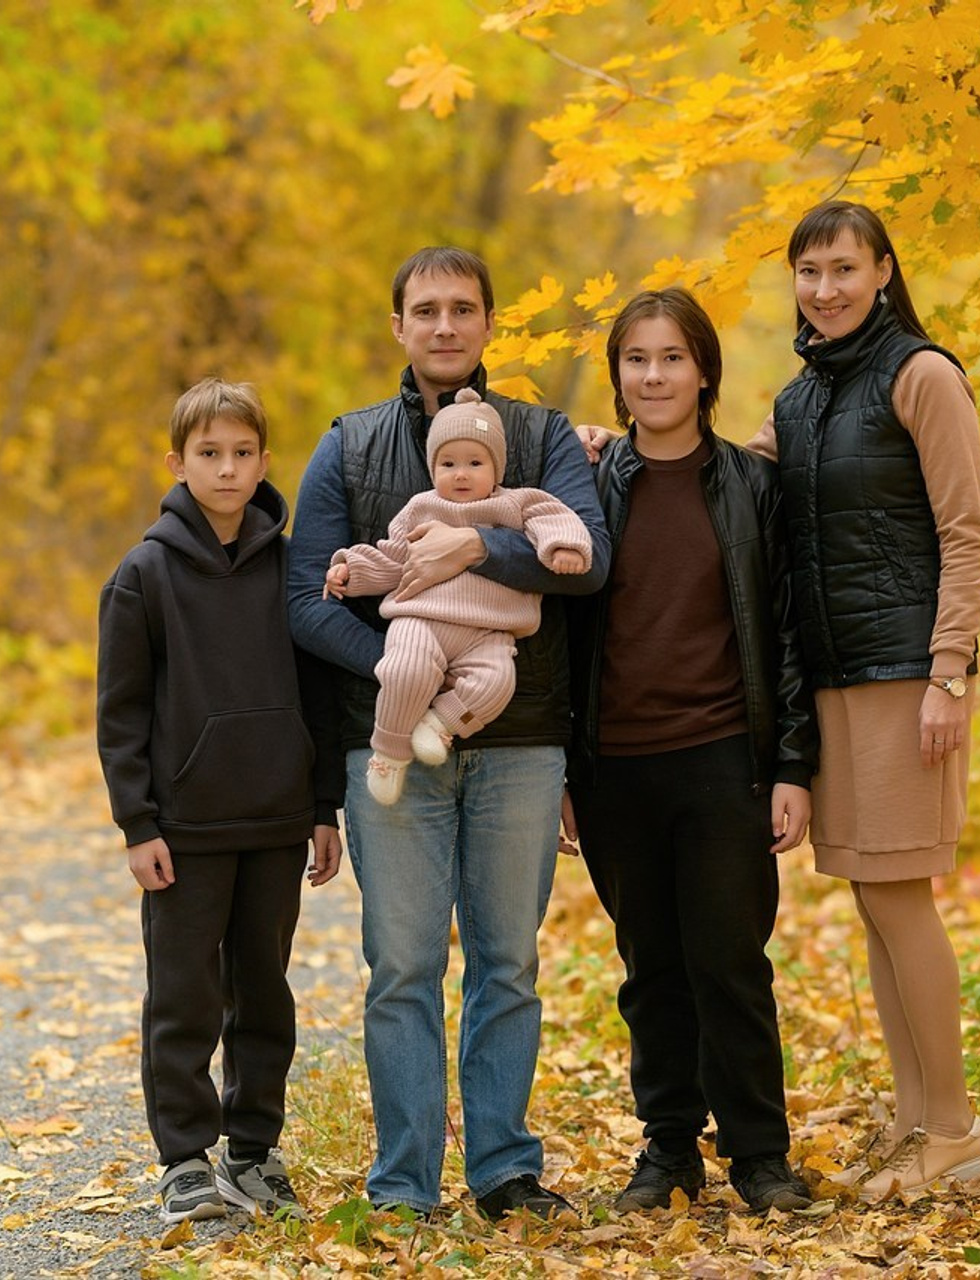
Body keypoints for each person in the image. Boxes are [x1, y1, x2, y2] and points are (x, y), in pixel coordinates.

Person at [287, 247, 609, 1220]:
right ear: (398, 326)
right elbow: (306, 599)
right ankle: (404, 1184)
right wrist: (406, 675)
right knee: (403, 970)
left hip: (521, 740)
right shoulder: (348, 446)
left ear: (488, 323)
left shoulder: (541, 436)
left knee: (508, 963)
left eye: (462, 308)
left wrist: (481, 544)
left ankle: (505, 1171)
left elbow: (590, 561)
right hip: (387, 737)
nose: (443, 325)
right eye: (424, 309)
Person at [753, 199, 980, 1198]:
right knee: (872, 898)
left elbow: (966, 533)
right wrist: (624, 442)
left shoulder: (921, 375)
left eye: (844, 268)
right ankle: (913, 1120)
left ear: (884, 271)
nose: (825, 289)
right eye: (808, 271)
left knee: (902, 895)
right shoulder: (799, 399)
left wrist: (948, 673)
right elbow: (733, 482)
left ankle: (956, 1128)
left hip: (907, 677)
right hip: (835, 680)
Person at [560, 288, 819, 1215]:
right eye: (637, 359)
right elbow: (556, 637)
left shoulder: (752, 486)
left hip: (722, 759)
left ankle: (760, 1155)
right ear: (617, 376)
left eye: (673, 357)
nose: (655, 375)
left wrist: (792, 766)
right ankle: (668, 1149)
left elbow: (788, 634)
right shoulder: (587, 486)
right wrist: (563, 769)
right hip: (615, 767)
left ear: (704, 370)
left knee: (730, 962)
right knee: (651, 970)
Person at [96, 377, 344, 1225]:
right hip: (186, 830)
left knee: (265, 993)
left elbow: (320, 691)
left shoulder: (293, 566)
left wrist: (323, 806)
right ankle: (185, 1161)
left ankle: (252, 1152)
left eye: (242, 453)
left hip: (277, 820)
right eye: (210, 453)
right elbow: (121, 712)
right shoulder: (144, 574)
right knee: (184, 997)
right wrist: (138, 823)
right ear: (178, 463)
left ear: (265, 462)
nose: (228, 469)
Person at [324, 387, 592, 805]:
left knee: (497, 683)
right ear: (433, 468)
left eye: (474, 463)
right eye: (448, 464)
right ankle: (389, 752)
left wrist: (564, 547)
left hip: (489, 631)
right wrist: (351, 571)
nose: (461, 474)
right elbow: (394, 558)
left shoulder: (514, 504)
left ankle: (438, 725)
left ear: (496, 466)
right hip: (422, 620)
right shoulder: (420, 508)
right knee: (404, 670)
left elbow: (554, 516)